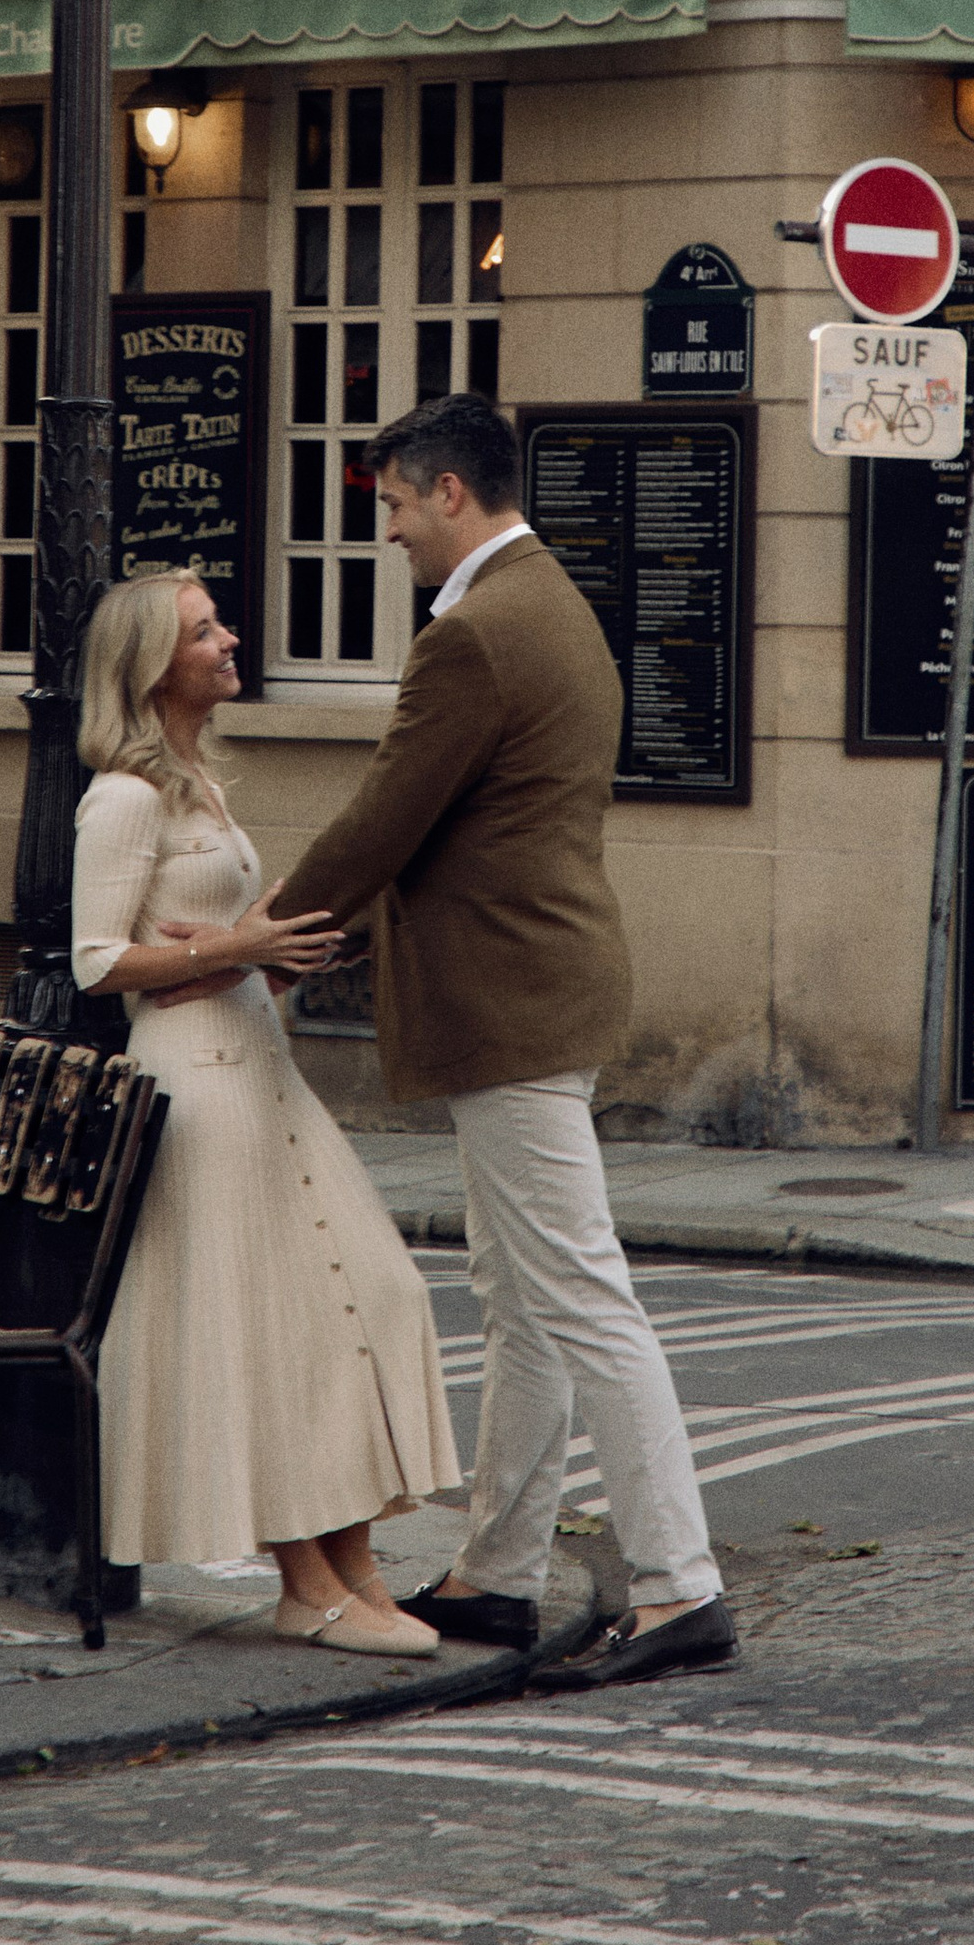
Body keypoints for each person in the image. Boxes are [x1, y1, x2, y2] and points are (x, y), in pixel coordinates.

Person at [280, 393, 735, 1692]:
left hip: (512, 1004)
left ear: (450, 496)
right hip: (546, 991)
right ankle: (498, 1572)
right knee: (525, 1300)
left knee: (581, 1297)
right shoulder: (556, 602)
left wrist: (265, 932)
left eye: (392, 506)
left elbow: (386, 818)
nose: (388, 532)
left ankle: (678, 1584)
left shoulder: (476, 634)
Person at [71, 567, 461, 1656]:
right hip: (196, 1089)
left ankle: (356, 1571)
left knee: (367, 1299)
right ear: (154, 666)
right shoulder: (125, 796)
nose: (230, 638)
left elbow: (207, 940)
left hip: (259, 1063)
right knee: (264, 1337)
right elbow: (96, 962)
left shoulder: (197, 781)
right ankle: (308, 1584)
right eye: (205, 631)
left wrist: (271, 953)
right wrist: (237, 947)